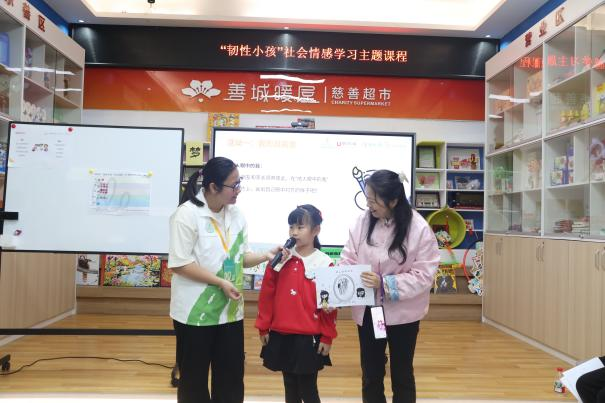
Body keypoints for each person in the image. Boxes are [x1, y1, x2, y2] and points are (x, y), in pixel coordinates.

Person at [168, 156, 281, 403]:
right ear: (213, 187)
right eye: (234, 185)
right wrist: (220, 282)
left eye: (240, 183)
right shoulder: (186, 215)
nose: (238, 190)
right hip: (194, 314)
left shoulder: (237, 215)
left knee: (231, 379)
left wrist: (265, 255)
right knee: (193, 381)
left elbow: (240, 257)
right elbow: (180, 263)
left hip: (230, 312)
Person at [339, 169, 440, 403]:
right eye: (367, 199)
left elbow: (424, 274)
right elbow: (349, 257)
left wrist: (384, 284)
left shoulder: (418, 228)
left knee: (402, 372)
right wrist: (339, 281)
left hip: (402, 315)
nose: (369, 205)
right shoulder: (363, 222)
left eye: (373, 200)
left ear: (393, 201)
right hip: (372, 312)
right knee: (371, 371)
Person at [255, 204, 337, 403]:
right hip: (281, 334)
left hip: (308, 338)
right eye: (291, 227)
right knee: (290, 388)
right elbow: (267, 295)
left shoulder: (324, 263)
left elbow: (329, 307)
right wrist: (263, 327)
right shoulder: (280, 259)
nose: (294, 232)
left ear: (316, 230)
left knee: (308, 390)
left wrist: (327, 336)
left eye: (300, 227)